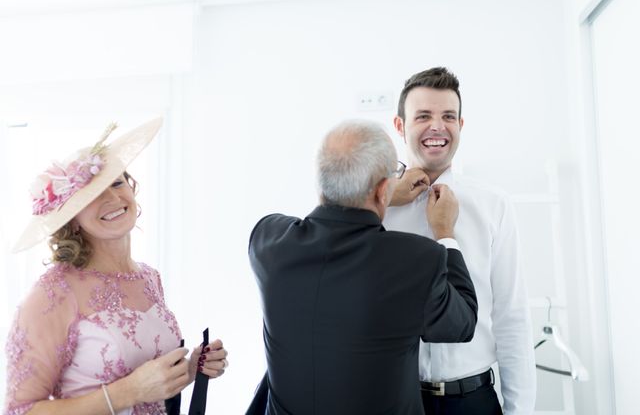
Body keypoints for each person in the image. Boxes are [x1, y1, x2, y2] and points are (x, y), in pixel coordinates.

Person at [248, 120, 478, 415]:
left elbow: (322, 216)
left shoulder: (267, 242)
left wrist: (373, 195)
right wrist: (445, 232)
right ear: (384, 190)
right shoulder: (417, 260)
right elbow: (463, 323)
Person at [4, 119, 228, 415]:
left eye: (117, 182)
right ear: (71, 218)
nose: (112, 198)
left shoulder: (149, 278)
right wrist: (128, 392)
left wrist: (189, 369)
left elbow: (150, 388)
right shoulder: (52, 293)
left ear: (132, 187)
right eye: (92, 195)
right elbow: (19, 410)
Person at [384, 67, 536, 415]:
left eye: (448, 116)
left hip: (474, 400)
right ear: (399, 126)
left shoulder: (493, 204)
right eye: (423, 116)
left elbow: (511, 315)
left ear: (460, 126)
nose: (437, 126)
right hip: (397, 399)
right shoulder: (376, 208)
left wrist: (520, 410)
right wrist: (386, 198)